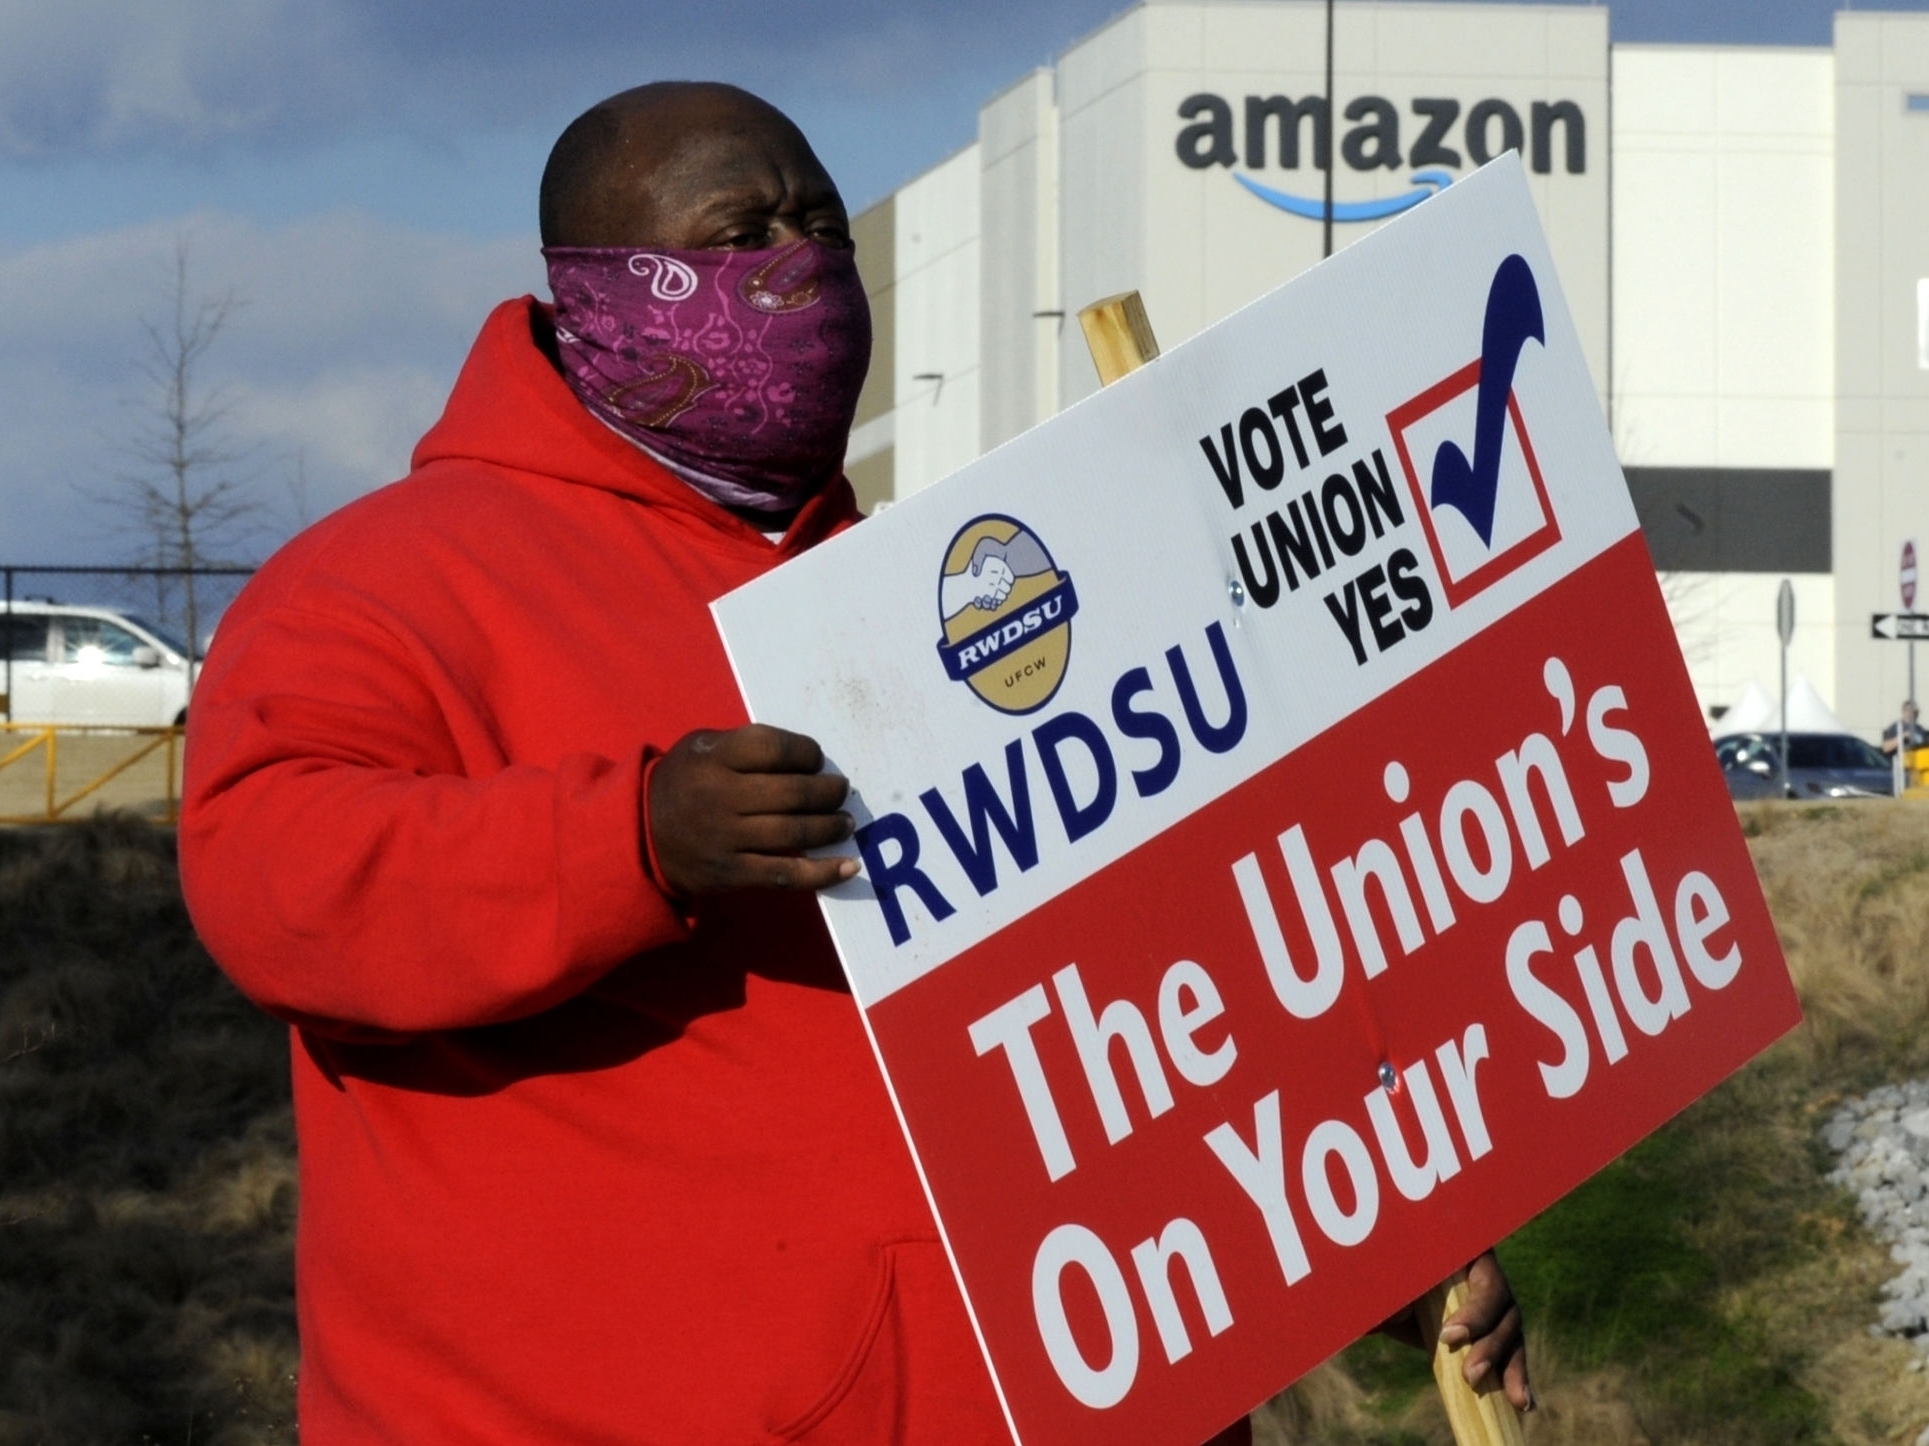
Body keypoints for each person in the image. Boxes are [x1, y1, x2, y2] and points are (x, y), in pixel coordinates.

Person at [179, 82, 1529, 1443]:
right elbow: (272, 878)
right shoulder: (380, 587)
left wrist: (1358, 1220)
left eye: (821, 223)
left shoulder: (944, 597)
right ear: (593, 288)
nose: (802, 263)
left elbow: (1139, 1009)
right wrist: (631, 840)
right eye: (742, 228)